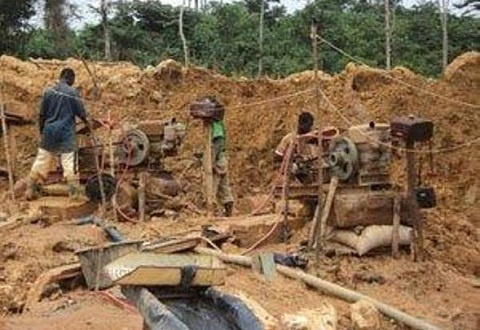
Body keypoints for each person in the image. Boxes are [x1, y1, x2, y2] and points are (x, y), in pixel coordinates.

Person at [25, 68, 91, 200]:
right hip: (66, 132)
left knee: (42, 159)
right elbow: (82, 114)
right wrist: (89, 125)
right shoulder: (72, 92)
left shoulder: (48, 92)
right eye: (73, 80)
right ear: (70, 78)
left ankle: (30, 190)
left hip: (49, 130)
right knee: (69, 162)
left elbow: (41, 115)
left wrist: (42, 130)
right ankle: (75, 194)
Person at [204, 97, 234, 217]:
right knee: (224, 187)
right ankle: (228, 208)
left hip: (217, 160)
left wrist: (211, 162)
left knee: (212, 187)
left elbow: (217, 144)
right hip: (222, 158)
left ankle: (212, 213)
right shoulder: (219, 124)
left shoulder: (215, 126)